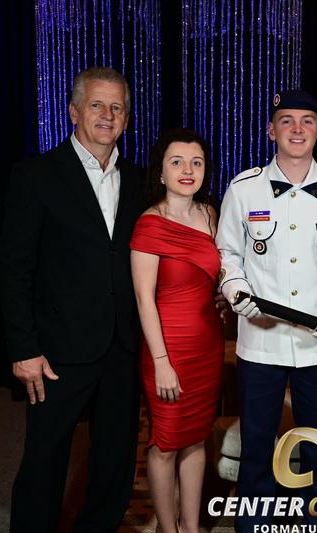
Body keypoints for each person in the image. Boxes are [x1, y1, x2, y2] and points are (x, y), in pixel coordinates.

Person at [0, 66, 143, 532]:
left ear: (126, 119)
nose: (107, 115)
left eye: (117, 107)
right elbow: (14, 270)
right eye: (97, 105)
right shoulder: (35, 175)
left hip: (122, 346)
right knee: (44, 460)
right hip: (57, 350)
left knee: (115, 459)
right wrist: (23, 349)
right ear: (74, 112)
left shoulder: (139, 180)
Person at [215, 90, 317, 532]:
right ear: (270, 130)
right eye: (286, 120)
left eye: (307, 120)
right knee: (258, 443)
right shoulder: (243, 188)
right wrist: (237, 293)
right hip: (261, 342)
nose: (297, 129)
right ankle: (254, 525)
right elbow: (228, 255)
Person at [130, 129, 224, 533]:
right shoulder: (149, 223)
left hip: (207, 347)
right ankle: (168, 529)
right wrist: (162, 362)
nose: (188, 170)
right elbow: (143, 299)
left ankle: (190, 525)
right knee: (165, 443)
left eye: (196, 162)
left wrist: (223, 294)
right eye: (177, 162)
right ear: (161, 172)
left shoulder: (210, 214)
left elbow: (218, 272)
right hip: (167, 349)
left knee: (197, 438)